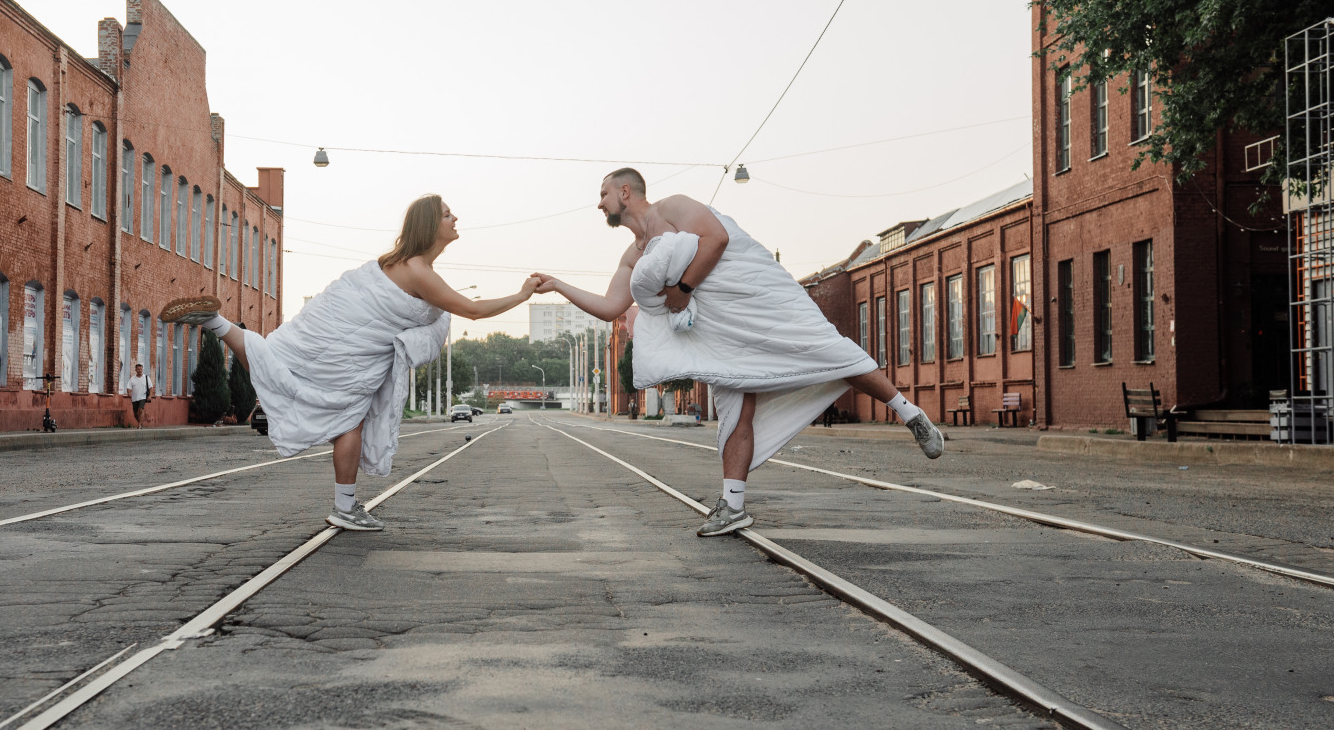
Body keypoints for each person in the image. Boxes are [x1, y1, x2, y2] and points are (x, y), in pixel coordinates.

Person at [534, 168, 943, 538]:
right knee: (734, 407)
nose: (599, 202)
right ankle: (733, 506)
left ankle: (911, 414)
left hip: (752, 300)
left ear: (626, 192)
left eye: (603, 193)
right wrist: (558, 286)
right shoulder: (632, 254)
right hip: (718, 332)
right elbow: (611, 307)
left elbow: (719, 238)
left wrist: (682, 291)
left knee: (826, 352)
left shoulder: (672, 207)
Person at [159, 194, 538, 531]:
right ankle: (345, 507)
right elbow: (471, 310)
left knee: (275, 359)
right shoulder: (420, 272)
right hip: (350, 358)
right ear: (428, 225)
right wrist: (522, 295)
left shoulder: (395, 264)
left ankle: (216, 322)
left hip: (334, 335)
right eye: (446, 214)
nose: (455, 219)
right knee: (350, 419)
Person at [125, 362, 153, 426]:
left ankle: (139, 425)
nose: (140, 370)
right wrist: (129, 393)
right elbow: (128, 387)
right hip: (134, 398)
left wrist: (150, 396)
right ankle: (140, 422)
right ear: (135, 370)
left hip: (143, 397)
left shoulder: (146, 378)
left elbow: (151, 387)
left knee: (140, 410)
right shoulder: (132, 378)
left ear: (142, 369)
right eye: (138, 369)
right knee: (135, 413)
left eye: (141, 369)